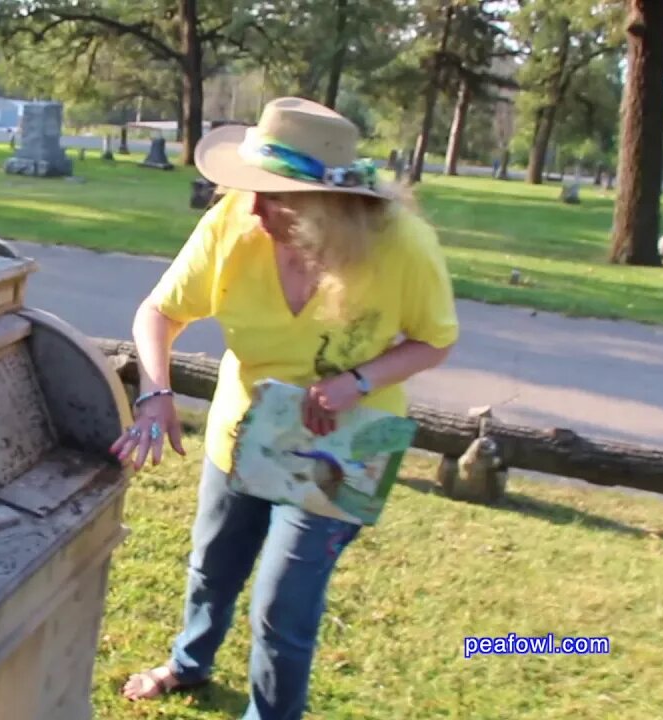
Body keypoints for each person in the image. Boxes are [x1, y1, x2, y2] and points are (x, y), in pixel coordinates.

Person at [112, 97, 460, 719]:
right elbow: (159, 312)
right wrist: (156, 390)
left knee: (282, 604)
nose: (253, 207)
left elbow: (435, 340)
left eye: (275, 197)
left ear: (333, 209)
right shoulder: (232, 224)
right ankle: (189, 664)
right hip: (242, 435)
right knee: (212, 568)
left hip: (344, 448)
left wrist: (360, 379)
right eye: (251, 189)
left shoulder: (402, 247)